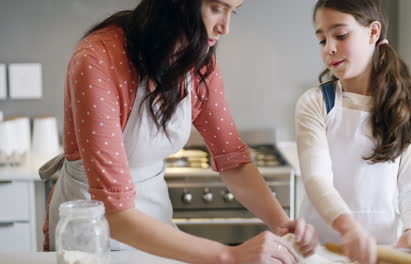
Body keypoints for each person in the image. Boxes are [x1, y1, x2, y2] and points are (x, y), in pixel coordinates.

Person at [40, 0, 319, 263]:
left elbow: (233, 160)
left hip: (156, 225)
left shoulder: (199, 63)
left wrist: (283, 225)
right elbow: (114, 214)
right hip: (92, 230)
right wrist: (230, 256)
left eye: (232, 11)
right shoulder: (97, 58)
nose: (225, 27)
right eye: (216, 8)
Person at [295, 0, 411, 263]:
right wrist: (350, 229)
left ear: (373, 32)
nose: (329, 48)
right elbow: (317, 180)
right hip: (322, 250)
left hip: (383, 249)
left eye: (341, 35)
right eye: (322, 40)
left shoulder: (403, 106)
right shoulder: (316, 103)